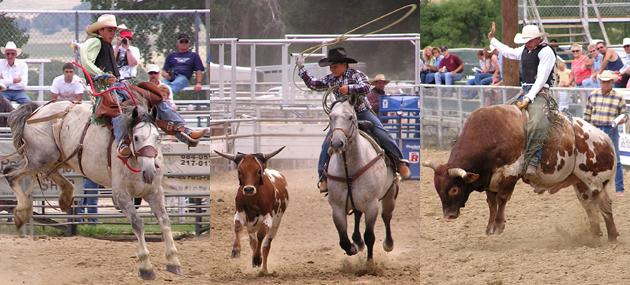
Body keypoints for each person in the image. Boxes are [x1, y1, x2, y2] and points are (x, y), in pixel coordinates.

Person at [80, 14, 208, 157]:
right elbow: (86, 60)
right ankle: (122, 142)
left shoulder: (106, 44)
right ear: (100, 30)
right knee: (117, 106)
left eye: (113, 30)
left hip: (118, 85)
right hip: (105, 88)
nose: (112, 33)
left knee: (155, 97)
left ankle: (183, 130)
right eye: (109, 30)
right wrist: (100, 74)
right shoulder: (95, 42)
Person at [296, 47, 410, 192]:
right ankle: (323, 176)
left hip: (362, 112)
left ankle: (400, 163)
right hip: (343, 117)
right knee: (327, 145)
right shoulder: (331, 79)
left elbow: (366, 87)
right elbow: (313, 84)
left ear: (344, 65)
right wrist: (301, 68)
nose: (332, 69)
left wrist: (349, 88)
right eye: (331, 66)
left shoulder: (356, 75)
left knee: (382, 134)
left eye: (335, 66)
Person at [488, 22, 558, 177]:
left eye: (528, 40)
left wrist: (529, 97)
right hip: (525, 90)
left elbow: (541, 78)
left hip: (540, 92)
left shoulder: (546, 52)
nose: (526, 42)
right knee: (501, 117)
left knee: (536, 122)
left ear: (536, 39)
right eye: (525, 40)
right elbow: (509, 52)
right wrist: (493, 40)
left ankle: (533, 160)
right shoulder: (525, 49)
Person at [583, 70, 626, 196]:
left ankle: (619, 188)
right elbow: (587, 115)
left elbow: (625, 115)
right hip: (594, 129)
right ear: (600, 82)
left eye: (607, 82)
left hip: (610, 129)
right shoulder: (593, 95)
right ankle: (593, 185)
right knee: (592, 158)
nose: (605, 84)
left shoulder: (618, 97)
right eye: (603, 82)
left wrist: (620, 120)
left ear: (612, 82)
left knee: (615, 158)